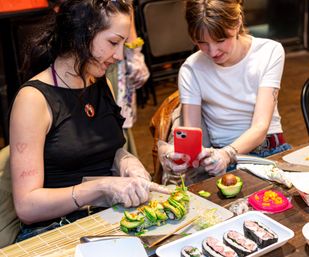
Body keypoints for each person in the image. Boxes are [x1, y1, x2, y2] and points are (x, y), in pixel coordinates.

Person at [9, 0, 169, 242]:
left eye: (123, 44)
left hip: (107, 218)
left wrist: (125, 161)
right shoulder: (33, 100)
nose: (118, 55)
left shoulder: (99, 82)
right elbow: (27, 207)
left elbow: (106, 149)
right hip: (56, 230)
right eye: (113, 42)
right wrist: (100, 188)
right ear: (81, 33)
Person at [159, 0, 291, 185]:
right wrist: (180, 155)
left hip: (268, 151)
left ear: (237, 23)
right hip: (220, 159)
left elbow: (260, 127)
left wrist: (228, 153)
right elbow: (192, 133)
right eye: (202, 43)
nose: (213, 52)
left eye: (221, 40)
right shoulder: (192, 68)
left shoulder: (269, 51)